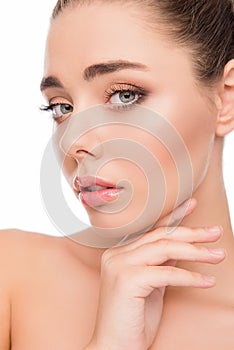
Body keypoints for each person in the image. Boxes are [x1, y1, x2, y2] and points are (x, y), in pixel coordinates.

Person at [0, 0, 234, 349]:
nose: (76, 140)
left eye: (124, 95)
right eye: (62, 107)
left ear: (225, 98)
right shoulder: (12, 274)